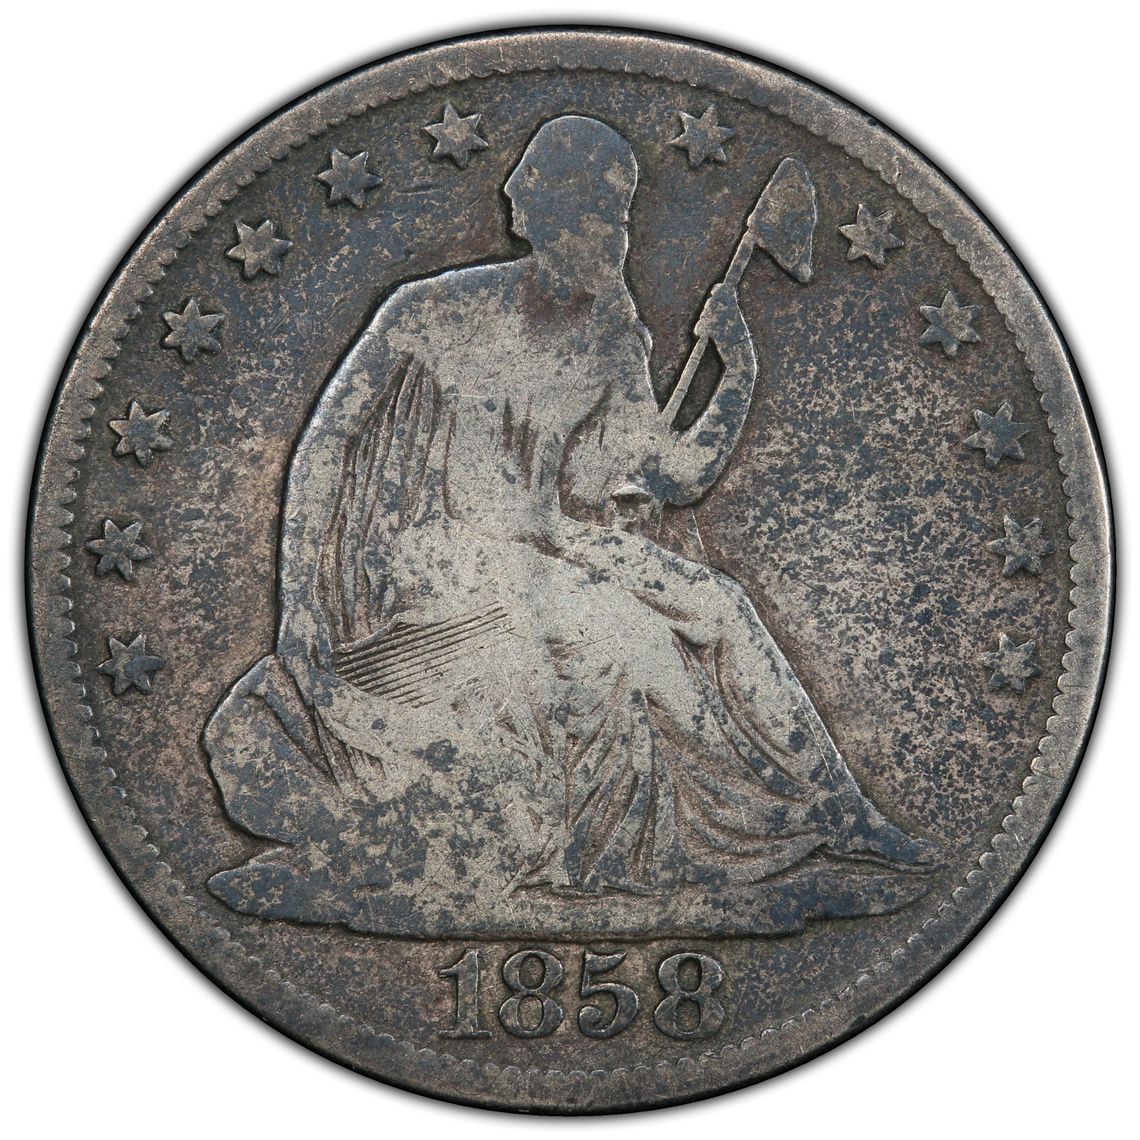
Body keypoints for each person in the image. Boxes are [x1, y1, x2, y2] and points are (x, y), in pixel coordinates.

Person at [205, 115, 935, 936]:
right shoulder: (434, 310)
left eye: (622, 216)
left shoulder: (611, 329)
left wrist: (737, 372)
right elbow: (327, 445)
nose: (619, 237)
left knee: (721, 601)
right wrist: (300, 599)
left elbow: (671, 476)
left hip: (547, 539)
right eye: (604, 214)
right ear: (540, 210)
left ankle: (841, 818)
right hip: (442, 560)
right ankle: (671, 852)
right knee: (632, 636)